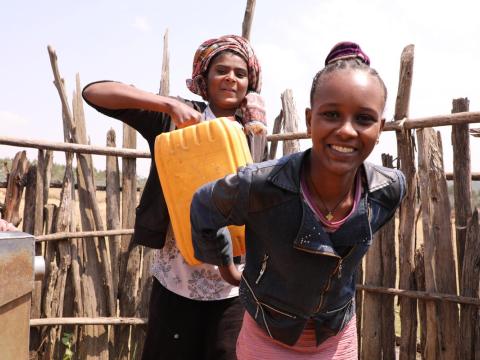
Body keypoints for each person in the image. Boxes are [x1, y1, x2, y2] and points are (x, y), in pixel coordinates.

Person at [191, 41, 406, 359]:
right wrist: (226, 267)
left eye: (364, 119)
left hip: (336, 335)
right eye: (331, 115)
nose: (346, 130)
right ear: (309, 120)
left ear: (380, 128)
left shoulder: (386, 190)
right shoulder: (261, 184)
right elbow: (203, 206)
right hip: (266, 334)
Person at [82, 35, 266, 360]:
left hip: (235, 285)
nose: (230, 78)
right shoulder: (174, 120)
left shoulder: (254, 129)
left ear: (250, 83)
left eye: (240, 73)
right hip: (177, 280)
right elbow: (94, 92)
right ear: (203, 80)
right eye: (221, 70)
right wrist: (167, 104)